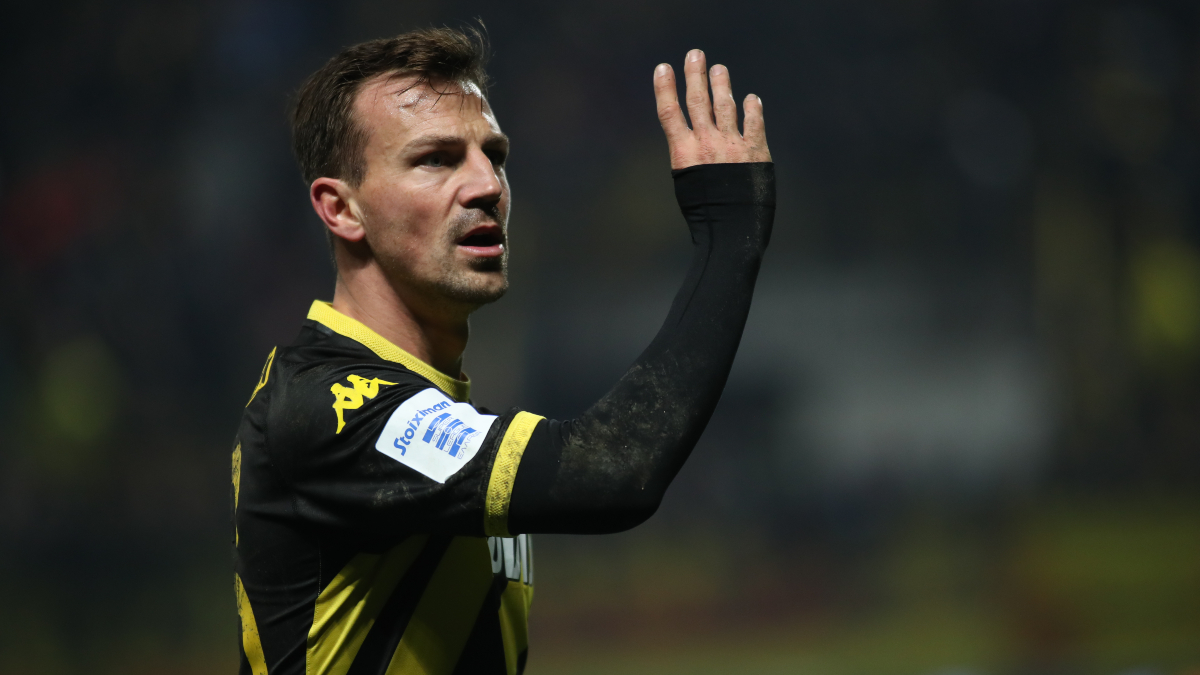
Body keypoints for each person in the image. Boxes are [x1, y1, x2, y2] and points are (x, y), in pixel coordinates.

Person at [231, 26, 773, 675]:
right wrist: (728, 236)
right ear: (341, 209)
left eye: (494, 154)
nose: (486, 183)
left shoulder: (438, 415)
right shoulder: (325, 406)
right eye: (436, 159)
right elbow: (610, 473)